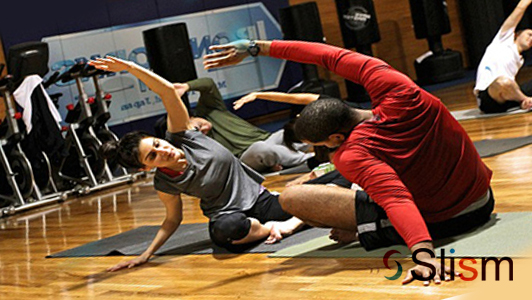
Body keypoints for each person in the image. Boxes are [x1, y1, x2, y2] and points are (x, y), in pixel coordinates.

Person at [204, 40, 493, 286]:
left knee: (293, 197)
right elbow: (329, 55)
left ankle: (374, 231)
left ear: (334, 138)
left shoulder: (352, 153)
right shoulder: (398, 88)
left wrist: (424, 255)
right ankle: (370, 228)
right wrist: (257, 48)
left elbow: (395, 198)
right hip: (484, 198)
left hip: (451, 218)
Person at [88, 56, 305, 272]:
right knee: (225, 233)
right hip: (227, 215)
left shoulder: (183, 135)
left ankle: (287, 221)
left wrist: (130, 67)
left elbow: (167, 92)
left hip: (260, 199)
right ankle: (269, 229)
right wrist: (146, 254)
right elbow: (172, 220)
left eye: (157, 144)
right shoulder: (165, 183)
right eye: (153, 156)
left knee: (313, 203)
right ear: (146, 168)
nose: (163, 150)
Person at [157, 77, 314, 173]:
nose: (203, 130)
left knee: (296, 127)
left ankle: (321, 149)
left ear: (191, 117)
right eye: (197, 132)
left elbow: (208, 84)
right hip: (244, 158)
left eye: (198, 127)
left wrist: (186, 86)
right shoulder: (194, 142)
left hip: (269, 138)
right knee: (261, 148)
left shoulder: (211, 109)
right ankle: (311, 160)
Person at [474, 0, 532, 113]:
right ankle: (525, 100)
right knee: (504, 82)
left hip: (508, 97)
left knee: (509, 84)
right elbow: (520, 8)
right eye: (529, 34)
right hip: (489, 98)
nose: (531, 39)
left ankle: (522, 101)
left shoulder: (520, 60)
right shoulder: (503, 40)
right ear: (516, 35)